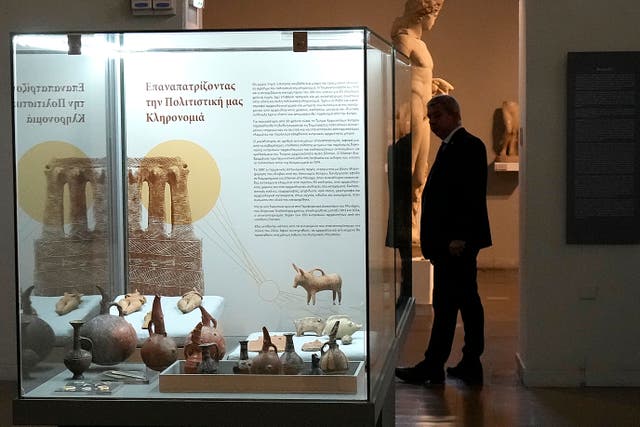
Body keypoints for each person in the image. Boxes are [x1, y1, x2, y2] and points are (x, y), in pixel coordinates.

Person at [395, 95, 492, 386]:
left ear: (453, 115)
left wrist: (459, 238)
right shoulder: (450, 147)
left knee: (464, 304)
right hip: (447, 246)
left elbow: (471, 196)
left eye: (436, 116)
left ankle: (457, 362)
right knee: (449, 305)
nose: (432, 123)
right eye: (430, 117)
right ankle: (441, 364)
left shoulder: (469, 145)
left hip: (457, 246)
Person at [391, 0, 454, 244]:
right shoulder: (403, 39)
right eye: (435, 14)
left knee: (420, 174)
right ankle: (405, 226)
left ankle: (414, 224)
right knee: (409, 172)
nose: (434, 20)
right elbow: (396, 77)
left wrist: (432, 84)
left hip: (425, 109)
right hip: (413, 110)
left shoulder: (420, 44)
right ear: (422, 13)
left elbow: (416, 75)